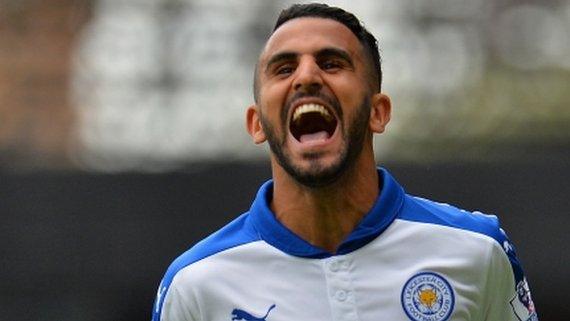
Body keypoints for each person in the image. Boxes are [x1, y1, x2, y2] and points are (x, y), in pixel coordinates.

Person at [152, 3, 538, 321]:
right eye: (284, 69)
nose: (306, 76)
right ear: (257, 125)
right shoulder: (196, 285)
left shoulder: (477, 251)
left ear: (378, 113)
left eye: (332, 63)